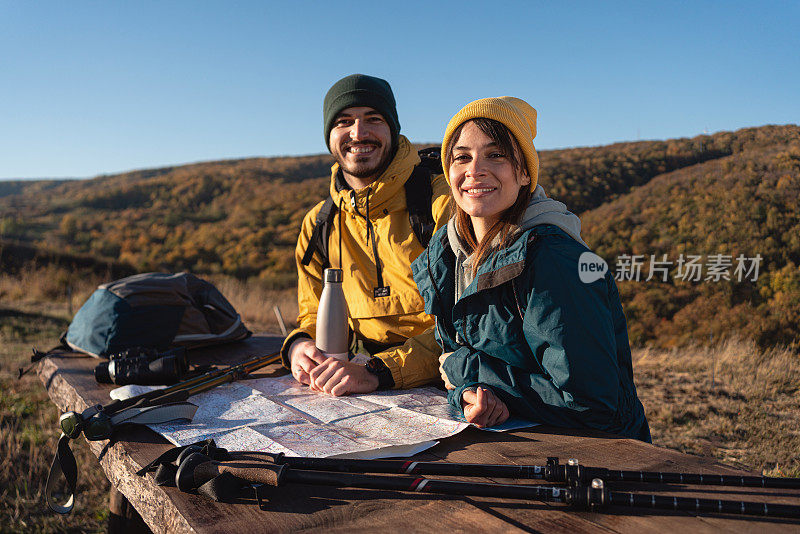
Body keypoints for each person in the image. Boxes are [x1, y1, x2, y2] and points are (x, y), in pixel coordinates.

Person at [410, 97, 650, 441]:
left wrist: (468, 371)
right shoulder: (445, 256)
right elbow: (456, 368)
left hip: (602, 456)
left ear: (524, 173)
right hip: (515, 444)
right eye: (462, 156)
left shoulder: (554, 260)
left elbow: (592, 404)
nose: (475, 169)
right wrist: (471, 394)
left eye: (496, 155)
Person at [281, 74, 450, 395]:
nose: (358, 133)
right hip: (357, 372)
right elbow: (313, 312)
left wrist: (380, 371)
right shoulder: (318, 223)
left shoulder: (440, 200)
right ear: (329, 135)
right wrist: (300, 345)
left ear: (392, 129)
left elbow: (471, 320)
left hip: (446, 375)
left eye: (373, 119)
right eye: (344, 121)